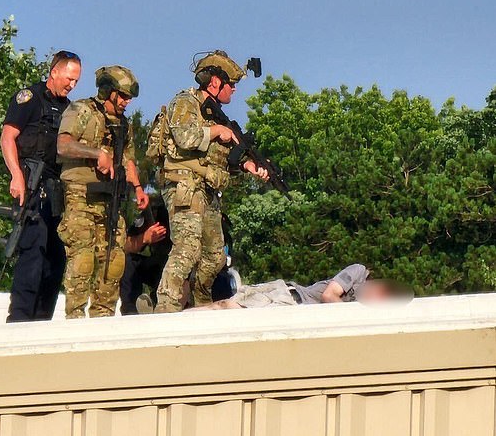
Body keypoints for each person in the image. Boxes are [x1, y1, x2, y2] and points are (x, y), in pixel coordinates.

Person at [153, 50, 269, 313]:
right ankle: (165, 310)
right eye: (233, 85)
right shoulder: (186, 102)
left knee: (216, 256)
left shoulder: (215, 114)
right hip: (184, 184)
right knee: (187, 249)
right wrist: (218, 131)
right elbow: (185, 138)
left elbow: (221, 157)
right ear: (215, 82)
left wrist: (249, 165)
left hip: (207, 189)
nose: (235, 91)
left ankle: (201, 304)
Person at [57, 65, 149, 318]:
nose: (127, 102)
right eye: (123, 96)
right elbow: (63, 146)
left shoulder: (123, 124)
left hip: (111, 198)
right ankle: (74, 319)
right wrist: (97, 153)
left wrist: (138, 189)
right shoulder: (81, 110)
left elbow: (129, 160)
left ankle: (103, 321)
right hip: (81, 195)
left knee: (113, 261)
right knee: (83, 260)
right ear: (108, 91)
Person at [0, 50, 82, 322]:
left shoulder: (71, 110)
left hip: (57, 189)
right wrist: (16, 175)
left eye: (76, 81)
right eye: (69, 78)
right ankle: (20, 318)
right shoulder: (30, 98)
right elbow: (8, 137)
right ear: (55, 72)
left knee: (57, 257)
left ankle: (42, 319)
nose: (71, 85)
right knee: (33, 251)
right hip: (31, 184)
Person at [191, 264, 412, 310]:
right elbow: (328, 295)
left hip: (288, 305)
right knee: (223, 307)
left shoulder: (366, 308)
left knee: (225, 308)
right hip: (288, 295)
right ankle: (178, 317)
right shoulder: (359, 272)